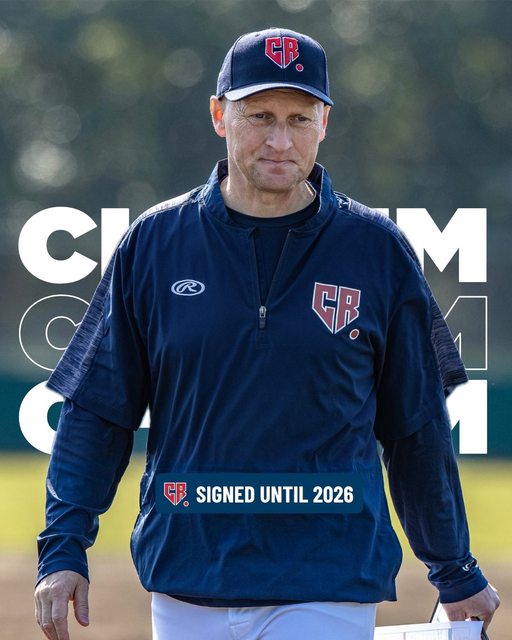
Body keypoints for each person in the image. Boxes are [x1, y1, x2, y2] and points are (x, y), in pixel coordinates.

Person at [35, 28, 499, 640]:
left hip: (327, 575)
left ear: (324, 123)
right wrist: (63, 547)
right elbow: (97, 410)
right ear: (218, 116)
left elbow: (416, 428)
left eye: (299, 119)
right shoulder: (153, 244)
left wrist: (453, 567)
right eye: (259, 116)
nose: (280, 141)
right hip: (189, 572)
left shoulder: (377, 251)